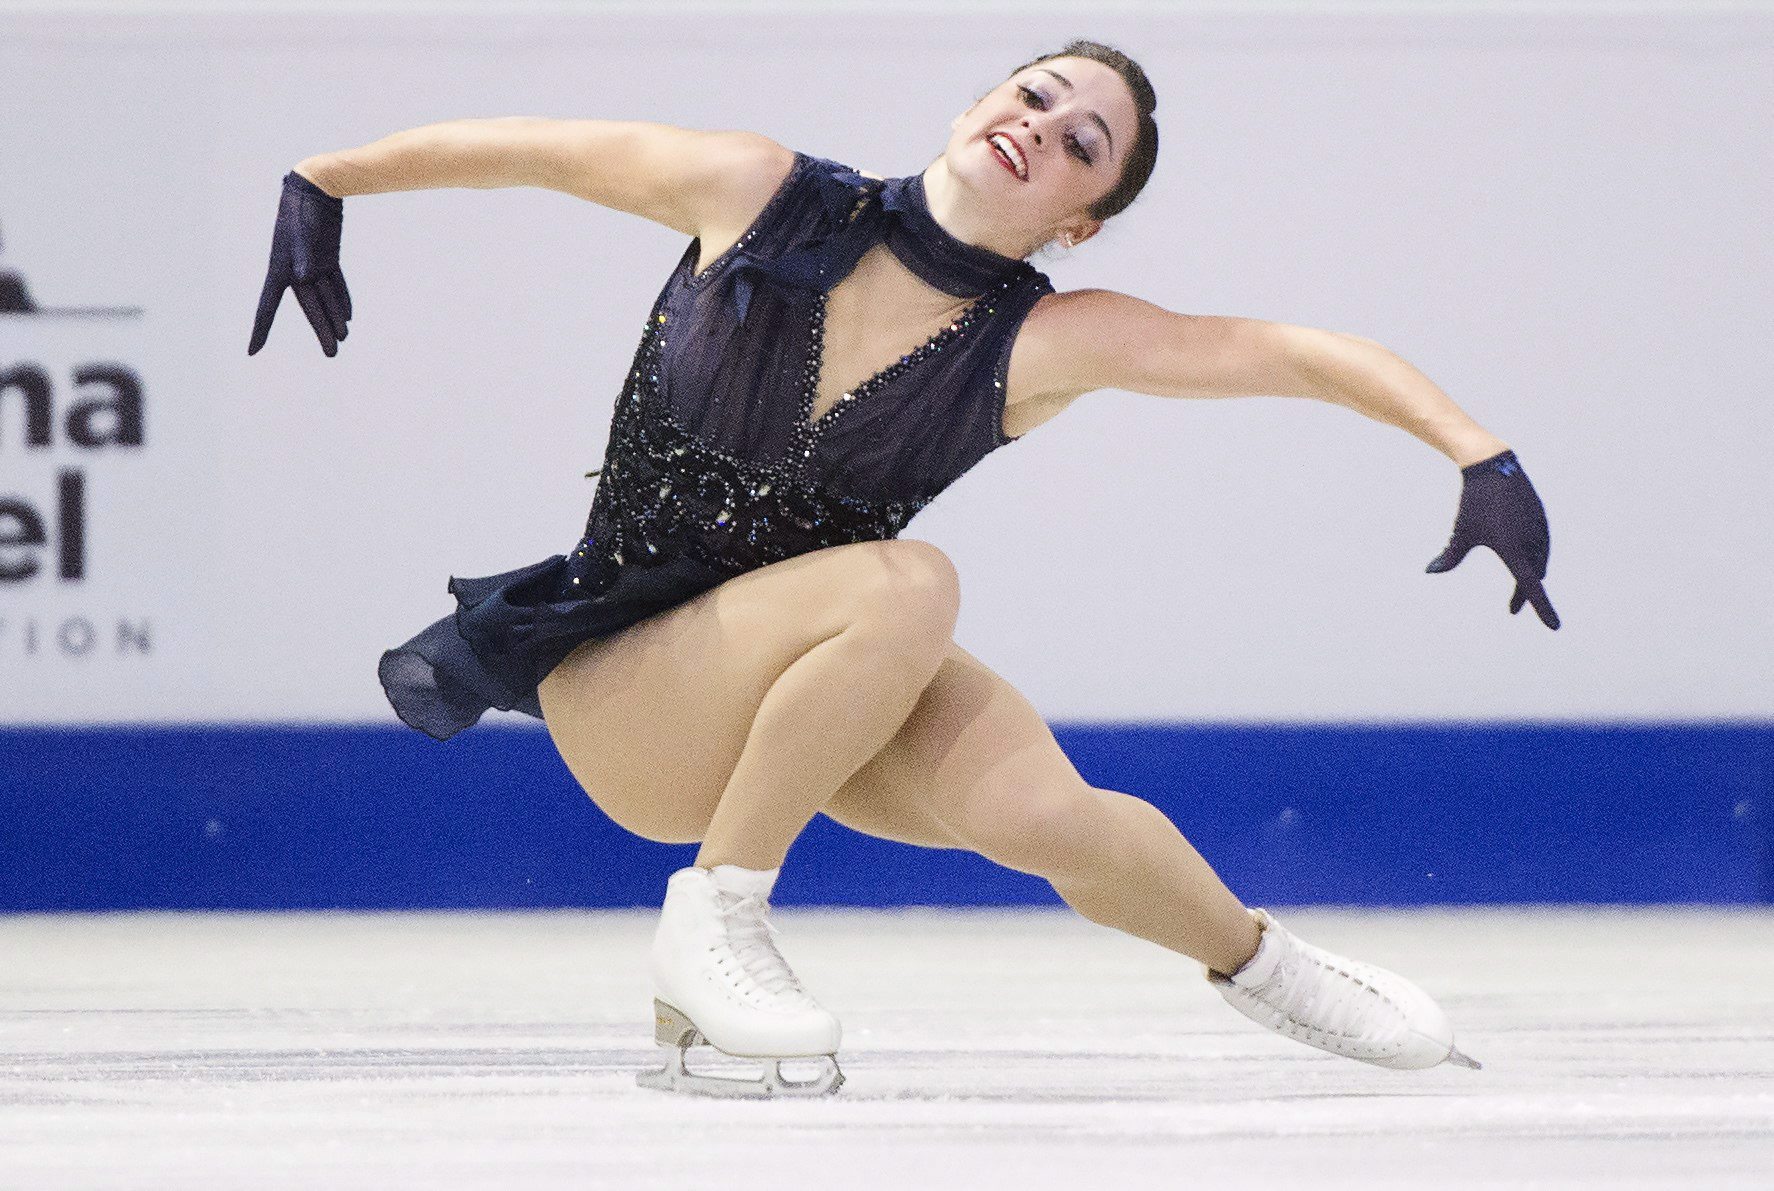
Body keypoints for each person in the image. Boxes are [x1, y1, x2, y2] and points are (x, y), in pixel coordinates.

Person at [248, 41, 1556, 1098]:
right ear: (978, 98)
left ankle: (1267, 970)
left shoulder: (1042, 342)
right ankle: (719, 913)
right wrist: (325, 182)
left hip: (816, 677)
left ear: (1079, 221)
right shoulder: (755, 191)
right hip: (624, 689)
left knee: (1049, 817)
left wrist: (1476, 454)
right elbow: (526, 153)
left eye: (1078, 143)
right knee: (907, 583)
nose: (1041, 127)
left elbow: (1283, 353)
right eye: (1035, 94)